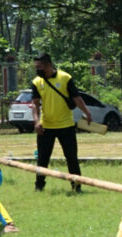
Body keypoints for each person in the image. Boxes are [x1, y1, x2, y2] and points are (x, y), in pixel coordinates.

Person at [31, 53, 93, 193]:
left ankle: (77, 186)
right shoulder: (36, 82)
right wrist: (36, 122)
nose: (37, 69)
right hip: (46, 127)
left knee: (72, 158)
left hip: (66, 126)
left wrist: (87, 112)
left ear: (48, 64)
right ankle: (39, 186)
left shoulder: (65, 78)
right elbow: (35, 104)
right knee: (42, 159)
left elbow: (76, 98)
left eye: (39, 66)